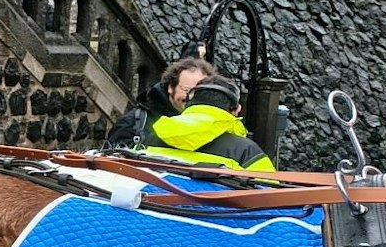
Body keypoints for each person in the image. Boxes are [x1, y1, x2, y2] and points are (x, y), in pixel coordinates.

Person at [138, 74, 272, 172]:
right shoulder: (245, 151)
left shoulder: (156, 134)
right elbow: (271, 197)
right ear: (237, 109)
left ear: (188, 104)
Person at [106, 56, 212, 149]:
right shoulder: (132, 124)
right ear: (171, 87)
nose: (192, 97)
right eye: (186, 90)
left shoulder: (213, 126)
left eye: (199, 92)